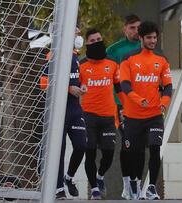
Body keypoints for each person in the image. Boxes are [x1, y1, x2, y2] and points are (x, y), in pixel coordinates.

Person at [120, 21, 172, 200]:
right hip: (133, 116)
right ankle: (134, 182)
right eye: (149, 37)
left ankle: (151, 187)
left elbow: (168, 87)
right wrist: (138, 99)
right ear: (141, 38)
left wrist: (164, 102)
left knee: (155, 148)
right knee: (135, 153)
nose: (153, 41)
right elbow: (125, 86)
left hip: (155, 115)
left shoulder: (162, 60)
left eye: (155, 37)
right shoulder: (128, 59)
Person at [40, 27, 88, 199]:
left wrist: (82, 87)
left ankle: (69, 177)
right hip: (59, 109)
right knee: (58, 150)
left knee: (82, 144)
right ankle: (58, 187)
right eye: (75, 33)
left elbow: (80, 78)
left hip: (75, 108)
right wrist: (69, 89)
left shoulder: (75, 56)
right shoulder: (52, 55)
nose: (78, 36)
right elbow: (44, 85)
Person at [79, 28, 125, 200]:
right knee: (89, 152)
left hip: (108, 117)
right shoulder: (81, 65)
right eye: (93, 40)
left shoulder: (112, 63)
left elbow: (119, 88)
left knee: (108, 153)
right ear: (87, 44)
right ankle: (95, 189)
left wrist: (125, 108)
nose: (97, 42)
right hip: (88, 116)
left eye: (99, 39)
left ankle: (99, 177)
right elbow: (75, 87)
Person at [106, 14, 141, 200]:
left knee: (140, 145)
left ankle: (138, 184)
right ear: (125, 29)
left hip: (143, 105)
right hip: (121, 104)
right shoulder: (114, 50)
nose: (136, 32)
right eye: (132, 28)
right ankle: (128, 184)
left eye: (138, 28)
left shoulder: (146, 47)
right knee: (128, 142)